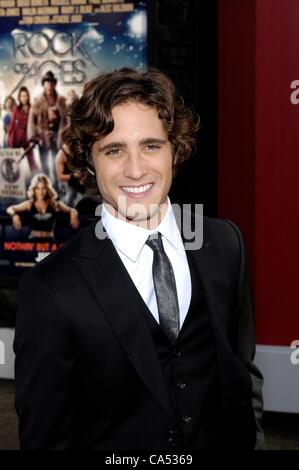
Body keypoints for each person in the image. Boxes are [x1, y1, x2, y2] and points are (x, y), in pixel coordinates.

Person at [14, 68, 264, 450]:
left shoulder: (225, 244)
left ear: (174, 149)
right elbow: (45, 437)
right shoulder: (50, 287)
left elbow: (243, 379)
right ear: (88, 161)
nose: (135, 169)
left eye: (150, 145)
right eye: (114, 150)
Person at [7, 173, 79, 242]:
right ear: (34, 190)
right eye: (38, 188)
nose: (41, 192)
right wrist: (15, 216)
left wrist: (73, 215)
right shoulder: (29, 204)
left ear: (47, 189)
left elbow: (72, 210)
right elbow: (10, 209)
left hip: (49, 242)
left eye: (43, 188)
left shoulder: (54, 204)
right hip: (33, 241)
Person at [27, 71, 67, 180]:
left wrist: (65, 136)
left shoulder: (62, 101)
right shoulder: (37, 101)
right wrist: (34, 136)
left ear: (54, 84)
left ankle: (58, 190)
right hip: (42, 137)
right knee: (44, 164)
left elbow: (67, 120)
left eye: (51, 82)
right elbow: (31, 121)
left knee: (57, 164)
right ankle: (47, 187)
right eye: (47, 82)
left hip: (57, 137)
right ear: (43, 84)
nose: (49, 85)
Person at [7, 87, 39, 173]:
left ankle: (37, 177)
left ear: (28, 96)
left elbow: (36, 124)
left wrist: (35, 137)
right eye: (22, 96)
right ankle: (12, 179)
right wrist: (9, 138)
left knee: (31, 161)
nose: (24, 98)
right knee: (14, 161)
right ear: (19, 97)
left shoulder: (32, 108)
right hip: (16, 138)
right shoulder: (16, 109)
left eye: (25, 95)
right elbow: (12, 125)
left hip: (27, 138)